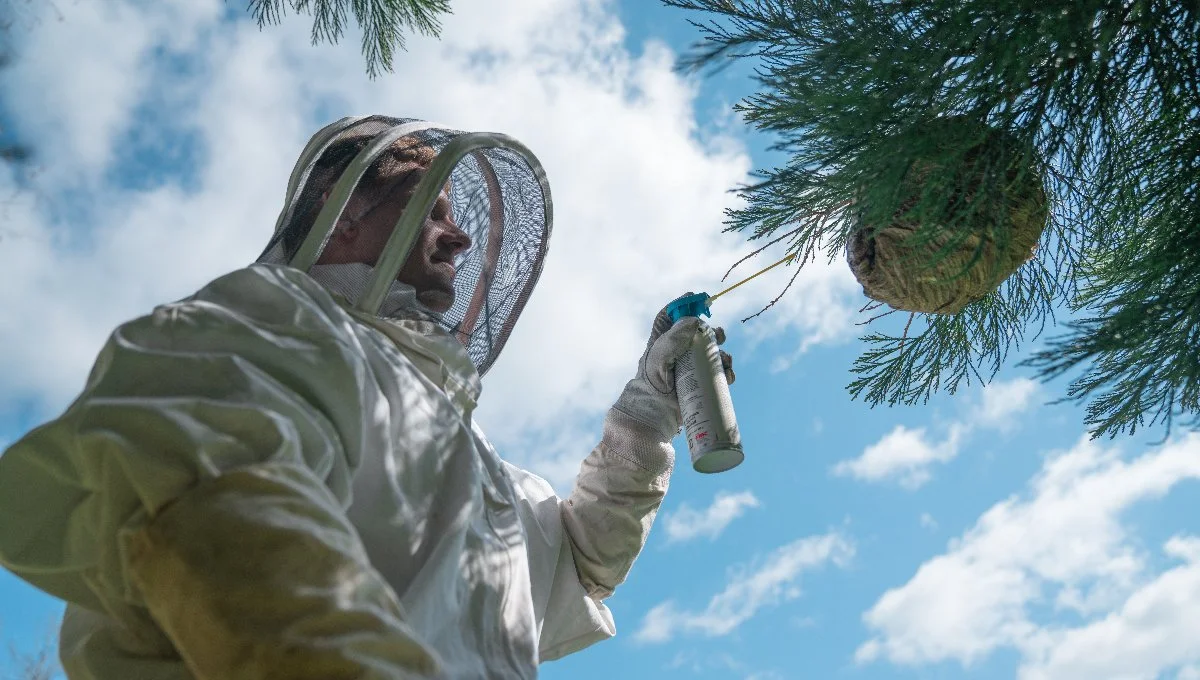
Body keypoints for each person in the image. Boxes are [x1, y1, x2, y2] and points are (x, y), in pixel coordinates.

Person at [0, 116, 735, 679]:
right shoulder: (268, 327)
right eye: (434, 210)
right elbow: (213, 518)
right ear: (343, 209)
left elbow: (579, 563)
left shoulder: (476, 469)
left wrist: (645, 409)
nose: (460, 240)